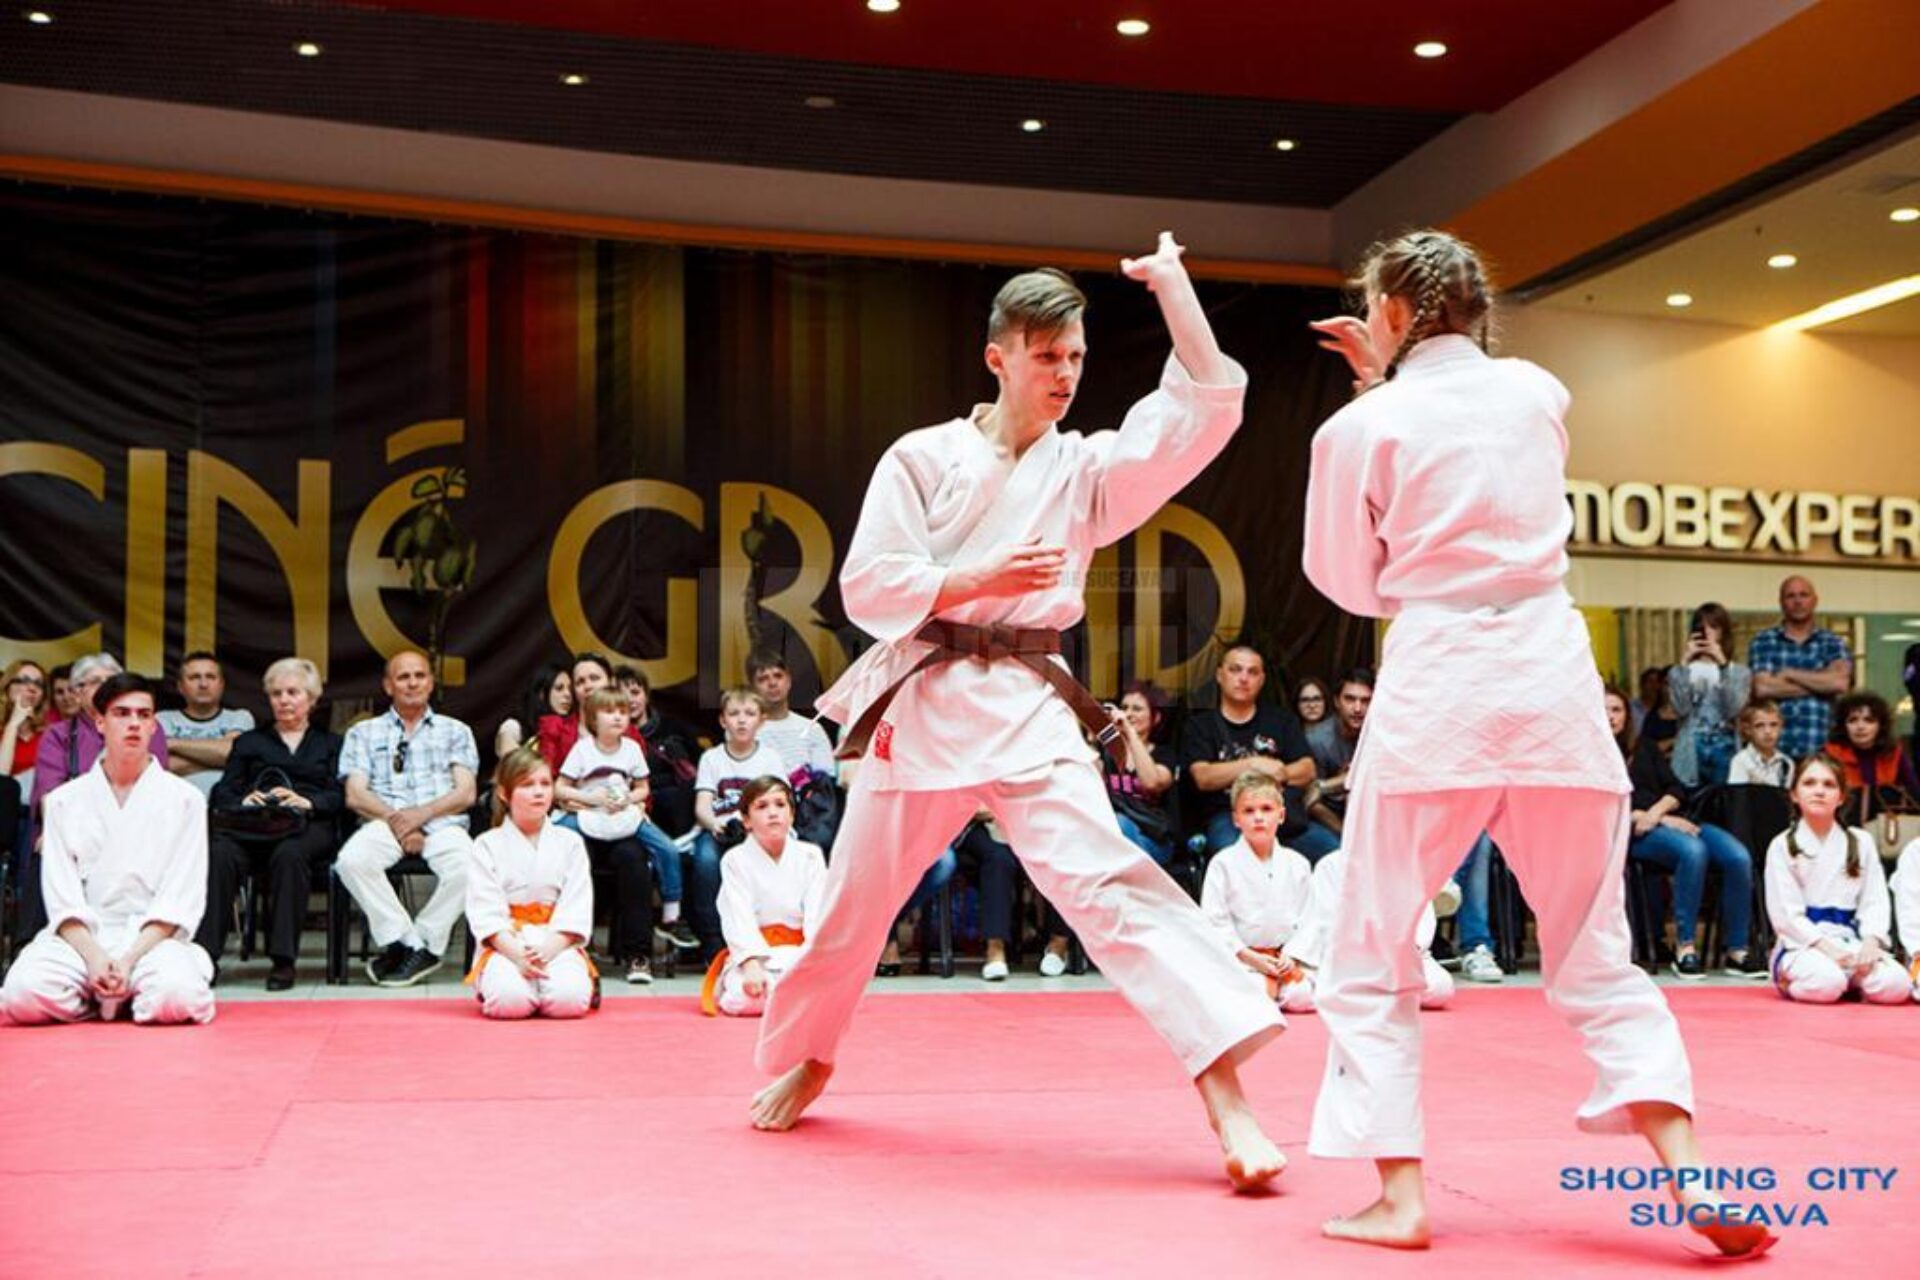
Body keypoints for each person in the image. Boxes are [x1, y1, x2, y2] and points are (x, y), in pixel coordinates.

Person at [750, 235, 1287, 1193]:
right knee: (852, 907)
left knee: (1113, 887)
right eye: (1047, 356)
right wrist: (975, 576)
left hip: (1031, 705)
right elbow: (869, 586)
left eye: (1076, 356)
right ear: (997, 357)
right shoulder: (923, 456)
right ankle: (811, 1055)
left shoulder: (1086, 468)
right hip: (926, 701)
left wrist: (1173, 290)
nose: (1066, 375)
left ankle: (1227, 1100)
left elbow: (1202, 411)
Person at [1301, 228, 1770, 1256]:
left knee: (1371, 950)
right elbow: (1467, 440)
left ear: (1390, 312)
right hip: (1554, 687)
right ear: (1477, 307)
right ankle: (1692, 1168)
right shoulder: (1537, 391)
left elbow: (1348, 581)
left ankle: (1400, 1195)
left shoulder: (1359, 426)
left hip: (1439, 690)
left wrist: (1375, 392)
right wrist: (1388, 379)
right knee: (1597, 952)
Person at [0, 673, 214, 1026]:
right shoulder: (65, 801)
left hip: (153, 939)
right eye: (121, 713)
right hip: (83, 937)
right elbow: (62, 898)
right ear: (100, 722)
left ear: (154, 725)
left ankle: (123, 991)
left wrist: (128, 960)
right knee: (21, 994)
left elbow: (180, 897)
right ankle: (103, 997)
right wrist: (96, 958)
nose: (134, 723)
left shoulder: (185, 800)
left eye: (143, 715)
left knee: (177, 996)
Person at [334, 649, 478, 987]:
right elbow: (355, 794)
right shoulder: (363, 732)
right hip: (383, 822)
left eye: (419, 675)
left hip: (443, 823)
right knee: (351, 861)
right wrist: (399, 822)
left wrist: (422, 815)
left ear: (431, 683)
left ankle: (424, 939)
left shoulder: (456, 730)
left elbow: (466, 793)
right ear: (388, 686)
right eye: (403, 677)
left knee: (472, 867)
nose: (412, 683)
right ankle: (407, 942)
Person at [199, 657, 343, 989]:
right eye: (277, 694)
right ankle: (205, 958)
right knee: (220, 854)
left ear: (311, 699)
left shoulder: (330, 743)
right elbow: (224, 792)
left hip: (308, 826)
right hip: (254, 826)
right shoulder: (249, 742)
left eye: (293, 692)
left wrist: (308, 802)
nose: (284, 700)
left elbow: (339, 796)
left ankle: (282, 961)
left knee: (290, 854)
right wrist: (246, 800)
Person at [1607, 687, 1764, 981]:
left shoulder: (1644, 747)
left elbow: (1675, 788)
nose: (1610, 716)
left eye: (1616, 710)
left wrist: (1660, 813)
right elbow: (1602, 808)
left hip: (1673, 820)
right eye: (1604, 709)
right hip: (1631, 831)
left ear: (1627, 715)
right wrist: (1653, 818)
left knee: (1738, 856)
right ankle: (1685, 947)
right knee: (1693, 851)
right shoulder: (1590, 756)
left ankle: (1737, 950)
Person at [465, 746, 596, 1020]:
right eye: (527, 785)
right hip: (507, 943)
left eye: (545, 784)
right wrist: (517, 955)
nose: (539, 792)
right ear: (504, 793)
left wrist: (549, 948)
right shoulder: (486, 844)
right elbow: (484, 911)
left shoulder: (570, 842)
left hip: (556, 940)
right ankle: (510, 985)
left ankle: (562, 984)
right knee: (509, 1002)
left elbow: (577, 904)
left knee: (569, 1001)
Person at [1764, 755, 1907, 1005]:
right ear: (1794, 794)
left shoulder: (1860, 841)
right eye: (1809, 783)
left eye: (1829, 785)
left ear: (1841, 797)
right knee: (1826, 983)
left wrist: (1870, 944)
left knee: (1896, 985)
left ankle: (1851, 981)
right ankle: (1795, 981)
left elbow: (1875, 900)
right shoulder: (1783, 845)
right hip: (1803, 945)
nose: (1819, 791)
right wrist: (1830, 951)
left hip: (1851, 941)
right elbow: (1786, 914)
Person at [1181, 643, 1338, 861]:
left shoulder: (1281, 720)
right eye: (1235, 670)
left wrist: (1280, 772)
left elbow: (1307, 769)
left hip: (1281, 817)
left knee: (1335, 853)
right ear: (1219, 675)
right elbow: (1203, 777)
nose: (1243, 678)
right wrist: (1253, 765)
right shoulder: (1201, 725)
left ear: (1262, 680)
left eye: (1252, 672)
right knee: (1235, 858)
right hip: (1229, 818)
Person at [556, 688, 660, 982]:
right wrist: (590, 799)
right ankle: (571, 949)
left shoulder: (632, 748)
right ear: (593, 719)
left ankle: (638, 955)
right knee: (575, 859)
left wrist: (627, 800)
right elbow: (559, 788)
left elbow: (643, 788)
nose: (617, 717)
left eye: (622, 712)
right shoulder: (582, 749)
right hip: (587, 822)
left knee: (634, 859)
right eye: (609, 712)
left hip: (621, 824)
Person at [704, 775, 827, 1017]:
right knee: (745, 998)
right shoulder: (735, 860)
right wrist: (750, 964)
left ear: (791, 815)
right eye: (762, 806)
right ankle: (790, 997)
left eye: (780, 805)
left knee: (828, 989)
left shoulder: (810, 856)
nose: (773, 813)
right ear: (746, 820)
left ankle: (793, 994)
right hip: (757, 957)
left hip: (801, 954)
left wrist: (816, 959)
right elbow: (737, 916)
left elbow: (818, 913)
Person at [1285, 849, 1454, 1013]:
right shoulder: (1331, 865)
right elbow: (1322, 923)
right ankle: (1379, 995)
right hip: (1346, 961)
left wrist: (1396, 955)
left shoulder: (1410, 865)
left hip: (1398, 960)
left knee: (1441, 987)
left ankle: (1365, 995)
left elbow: (1420, 922)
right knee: (1298, 995)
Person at [690, 688, 791, 961]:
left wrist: (755, 827)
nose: (742, 720)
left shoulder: (770, 758)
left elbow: (780, 802)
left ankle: (766, 935)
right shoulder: (712, 758)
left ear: (762, 720)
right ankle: (712, 940)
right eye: (734, 714)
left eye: (749, 714)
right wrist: (714, 824)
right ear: (723, 720)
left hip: (760, 832)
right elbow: (702, 806)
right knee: (705, 861)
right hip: (720, 829)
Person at [1199, 774, 1315, 1012]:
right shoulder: (1223, 864)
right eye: (1249, 811)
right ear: (1236, 819)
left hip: (1284, 959)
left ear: (1281, 815)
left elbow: (1310, 919)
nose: (1258, 817)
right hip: (1243, 960)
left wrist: (1292, 956)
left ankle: (1278, 988)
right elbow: (1215, 921)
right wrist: (1248, 956)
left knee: (1302, 997)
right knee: (1254, 993)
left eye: (1266, 809)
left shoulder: (1298, 864)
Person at [1748, 575, 1851, 764]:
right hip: (1774, 752)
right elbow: (1763, 688)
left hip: (1823, 749)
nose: (1798, 601)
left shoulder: (1833, 642)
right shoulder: (1764, 641)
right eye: (1791, 596)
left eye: (1804, 595)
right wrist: (1821, 684)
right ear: (1781, 602)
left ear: (1815, 600)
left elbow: (1839, 683)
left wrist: (1790, 674)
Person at [1666, 604, 1749, 789]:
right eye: (1701, 627)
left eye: (1714, 626)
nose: (1707, 632)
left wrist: (1723, 666)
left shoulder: (1739, 672)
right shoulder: (1679, 672)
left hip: (1726, 748)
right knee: (1689, 798)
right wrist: (1683, 665)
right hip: (1690, 750)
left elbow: (1733, 709)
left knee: (1725, 800)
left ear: (1724, 631)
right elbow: (1681, 709)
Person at [157, 651, 254, 798]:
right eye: (194, 677)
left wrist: (170, 743)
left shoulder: (240, 717)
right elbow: (163, 766)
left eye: (211, 677)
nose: (203, 684)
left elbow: (231, 753)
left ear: (221, 685)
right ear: (180, 686)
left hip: (227, 806)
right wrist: (220, 761)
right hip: (177, 806)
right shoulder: (162, 719)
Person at [1102, 681, 1178, 866]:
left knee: (1120, 823)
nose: (1128, 714)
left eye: (1137, 709)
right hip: (1113, 838)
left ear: (1155, 718)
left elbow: (1151, 783)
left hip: (1154, 840)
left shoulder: (1164, 754)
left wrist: (1129, 732)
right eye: (1124, 708)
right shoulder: (1108, 753)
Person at [1825, 691, 1919, 823]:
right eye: (1853, 720)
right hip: (1841, 821)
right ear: (1843, 726)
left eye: (1869, 720)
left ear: (1880, 726)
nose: (1860, 727)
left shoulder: (1894, 754)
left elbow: (1914, 794)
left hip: (1886, 825)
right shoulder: (1829, 754)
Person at [1303, 667, 1372, 831]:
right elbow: (1311, 800)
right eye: (1350, 699)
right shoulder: (1318, 740)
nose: (1357, 708)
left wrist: (1328, 785)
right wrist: (1344, 834)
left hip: (1368, 813)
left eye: (1365, 701)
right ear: (1336, 701)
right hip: (1327, 818)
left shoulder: (1380, 736)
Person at [493, 663, 571, 762]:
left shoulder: (572, 727)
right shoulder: (513, 727)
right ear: (542, 694)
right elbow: (512, 765)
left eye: (570, 689)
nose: (568, 694)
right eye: (559, 688)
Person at [1726, 699, 1791, 789]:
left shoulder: (1786, 763)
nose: (1768, 731)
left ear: (1781, 727)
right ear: (1748, 730)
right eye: (1759, 725)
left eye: (1774, 725)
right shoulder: (1741, 761)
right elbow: (1738, 794)